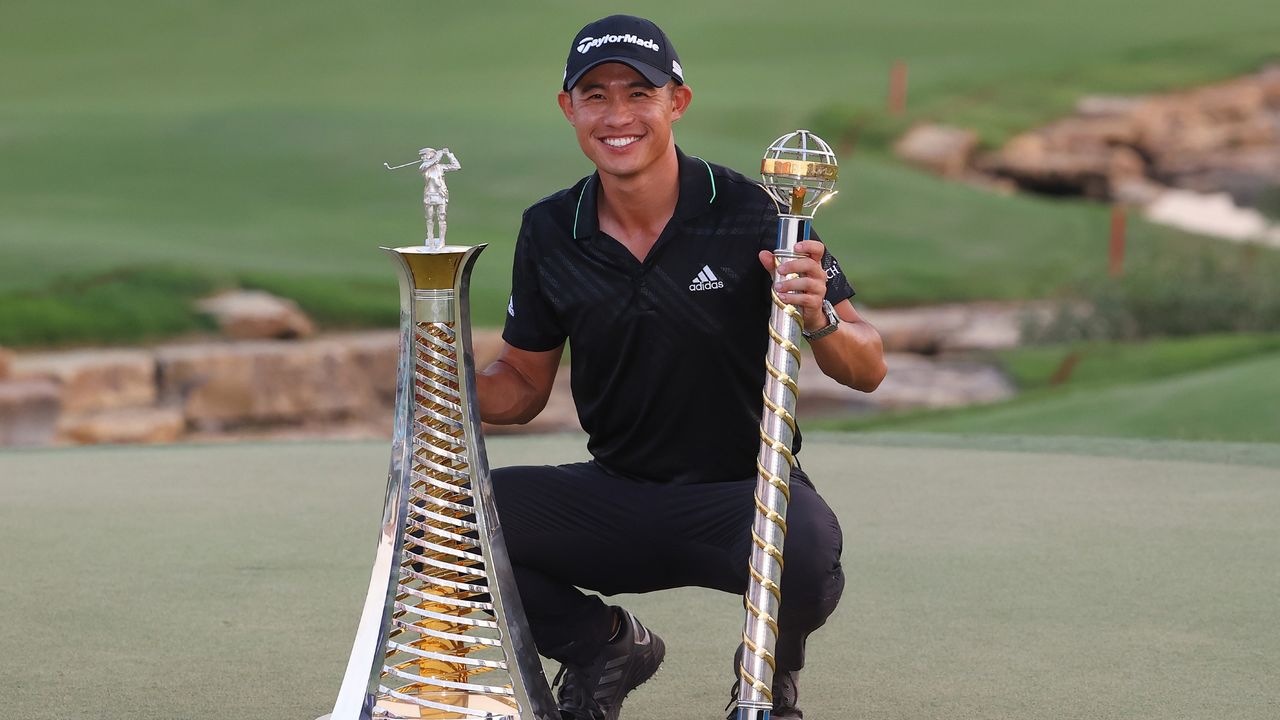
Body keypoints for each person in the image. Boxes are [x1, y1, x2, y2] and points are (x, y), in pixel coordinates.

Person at [475, 14, 886, 720]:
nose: (617, 115)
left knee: (810, 554)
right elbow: (520, 391)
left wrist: (818, 315)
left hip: (743, 497)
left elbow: (867, 366)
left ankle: (770, 672)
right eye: (596, 95)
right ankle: (603, 646)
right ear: (568, 108)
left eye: (640, 92)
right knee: (453, 523)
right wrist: (437, 374)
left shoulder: (758, 213)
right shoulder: (550, 229)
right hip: (616, 493)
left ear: (677, 102)